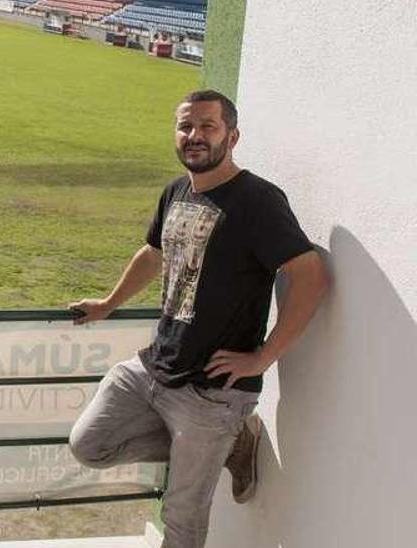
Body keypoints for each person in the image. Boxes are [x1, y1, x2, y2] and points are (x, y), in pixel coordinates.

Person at [66, 90, 330, 548]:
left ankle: (226, 436)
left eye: (208, 126)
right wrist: (109, 303)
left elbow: (310, 276)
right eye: (186, 126)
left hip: (213, 392)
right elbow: (153, 254)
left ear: (232, 135)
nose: (195, 136)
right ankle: (229, 445)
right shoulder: (176, 190)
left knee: (183, 515)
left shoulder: (258, 200)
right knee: (89, 445)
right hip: (154, 366)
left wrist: (263, 358)